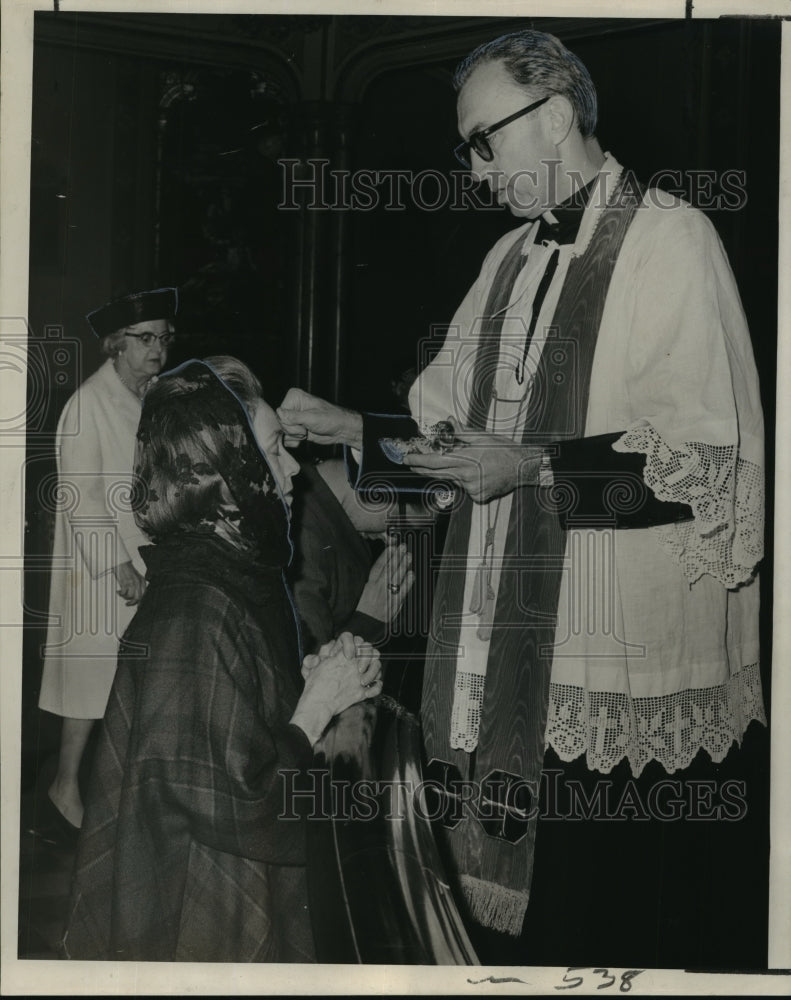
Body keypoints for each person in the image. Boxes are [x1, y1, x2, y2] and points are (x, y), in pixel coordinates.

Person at [278, 29, 765, 961]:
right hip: (498, 641)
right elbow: (454, 442)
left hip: (603, 652)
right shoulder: (506, 258)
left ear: (551, 117)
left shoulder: (673, 238)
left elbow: (708, 467)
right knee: (521, 939)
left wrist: (535, 468)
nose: (472, 170)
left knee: (606, 922)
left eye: (481, 140)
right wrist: (351, 429)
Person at [61, 357, 383, 962]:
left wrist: (307, 688)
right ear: (223, 473)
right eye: (274, 453)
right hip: (196, 920)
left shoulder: (224, 575)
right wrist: (312, 712)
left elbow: (227, 735)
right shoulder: (198, 608)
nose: (293, 473)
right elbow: (240, 802)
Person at [37, 287, 177, 836]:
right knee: (91, 683)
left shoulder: (153, 394)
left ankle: (109, 793)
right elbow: (78, 496)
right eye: (146, 339)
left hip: (148, 559)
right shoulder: (88, 402)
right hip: (100, 570)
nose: (157, 349)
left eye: (164, 338)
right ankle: (63, 787)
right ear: (116, 344)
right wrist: (116, 564)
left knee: (131, 683)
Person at [290, 456, 415, 653]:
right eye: (396, 525)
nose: (389, 539)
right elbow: (312, 673)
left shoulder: (329, 511)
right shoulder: (303, 543)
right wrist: (368, 619)